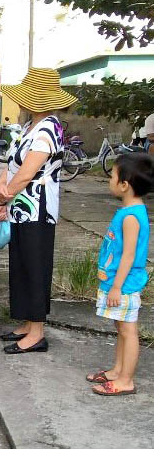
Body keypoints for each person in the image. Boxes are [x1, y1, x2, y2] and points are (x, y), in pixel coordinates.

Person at [0, 68, 77, 354]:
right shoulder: (31, 126)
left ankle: (37, 332)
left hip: (37, 208)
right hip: (21, 208)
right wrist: (3, 185)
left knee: (35, 266)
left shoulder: (48, 128)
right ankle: (28, 323)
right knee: (22, 264)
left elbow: (27, 172)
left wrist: (5, 195)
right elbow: (13, 163)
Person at [87, 152, 152, 396]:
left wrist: (117, 287)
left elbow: (128, 256)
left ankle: (126, 380)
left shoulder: (132, 217)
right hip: (117, 282)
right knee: (121, 328)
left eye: (112, 176)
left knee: (128, 330)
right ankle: (117, 370)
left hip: (123, 284)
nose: (109, 180)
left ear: (124, 185)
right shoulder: (128, 211)